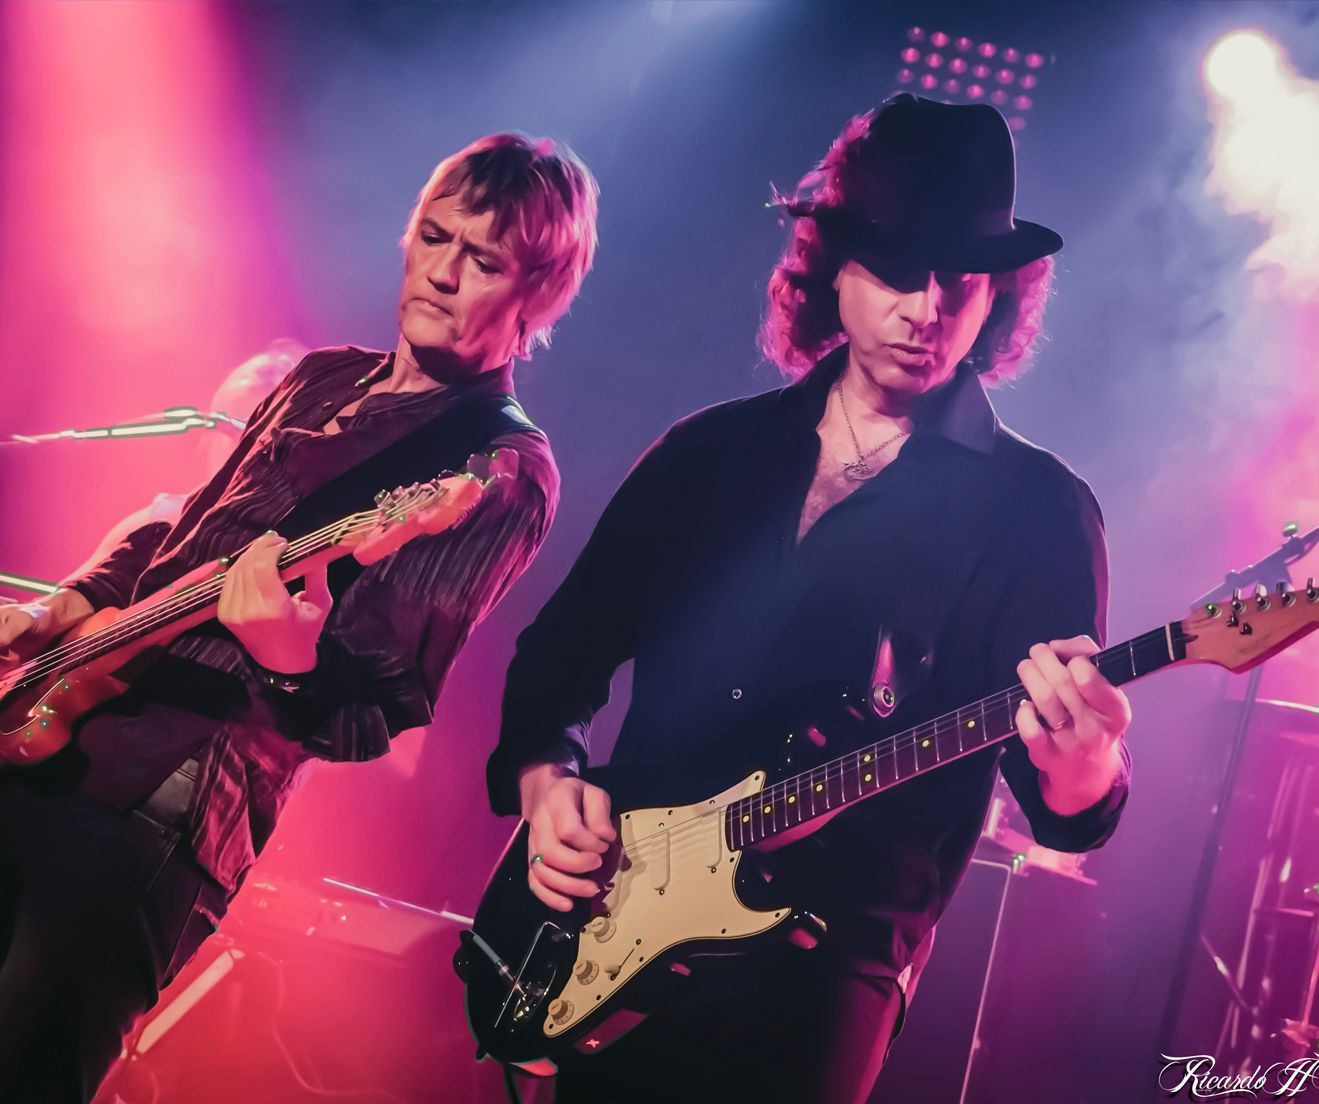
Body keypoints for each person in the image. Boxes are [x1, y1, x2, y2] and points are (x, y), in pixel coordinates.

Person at [488, 95, 1132, 1103]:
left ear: (998, 295)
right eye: (895, 269)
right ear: (830, 265)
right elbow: (558, 657)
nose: (926, 307)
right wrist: (544, 783)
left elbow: (1063, 812)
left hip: (814, 982)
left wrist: (1084, 767)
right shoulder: (709, 453)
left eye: (959, 279)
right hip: (611, 926)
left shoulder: (1037, 514)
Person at [0, 131, 598, 1102]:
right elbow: (181, 542)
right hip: (53, 728)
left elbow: (375, 707)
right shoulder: (318, 377)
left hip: (169, 796)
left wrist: (286, 658)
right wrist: (67, 607)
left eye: (481, 261)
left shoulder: (496, 466)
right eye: (433, 237)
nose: (443, 274)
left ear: (535, 295)